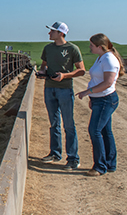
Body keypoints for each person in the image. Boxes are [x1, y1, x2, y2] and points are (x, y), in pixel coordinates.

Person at [38, 21, 86, 170]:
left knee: (68, 124)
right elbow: (44, 65)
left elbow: (81, 70)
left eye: (52, 31)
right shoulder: (48, 48)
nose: (49, 33)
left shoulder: (72, 49)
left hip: (64, 89)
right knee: (53, 123)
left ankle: (73, 158)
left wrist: (64, 76)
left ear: (61, 33)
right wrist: (42, 72)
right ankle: (55, 153)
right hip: (49, 88)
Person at [76, 33, 125, 176]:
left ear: (99, 46)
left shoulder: (109, 59)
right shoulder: (102, 58)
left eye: (92, 45)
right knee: (105, 131)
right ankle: (109, 164)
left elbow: (107, 83)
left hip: (106, 99)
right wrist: (92, 97)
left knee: (94, 130)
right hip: (100, 99)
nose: (90, 47)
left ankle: (100, 166)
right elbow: (98, 81)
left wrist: (87, 92)